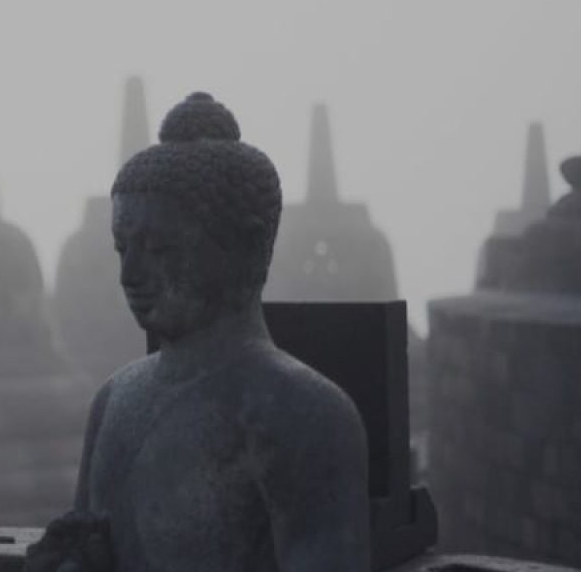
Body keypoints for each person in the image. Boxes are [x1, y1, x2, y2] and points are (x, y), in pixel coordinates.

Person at [61, 92, 370, 572]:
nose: (131, 275)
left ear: (244, 248)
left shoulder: (303, 415)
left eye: (162, 249)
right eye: (124, 248)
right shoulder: (113, 400)